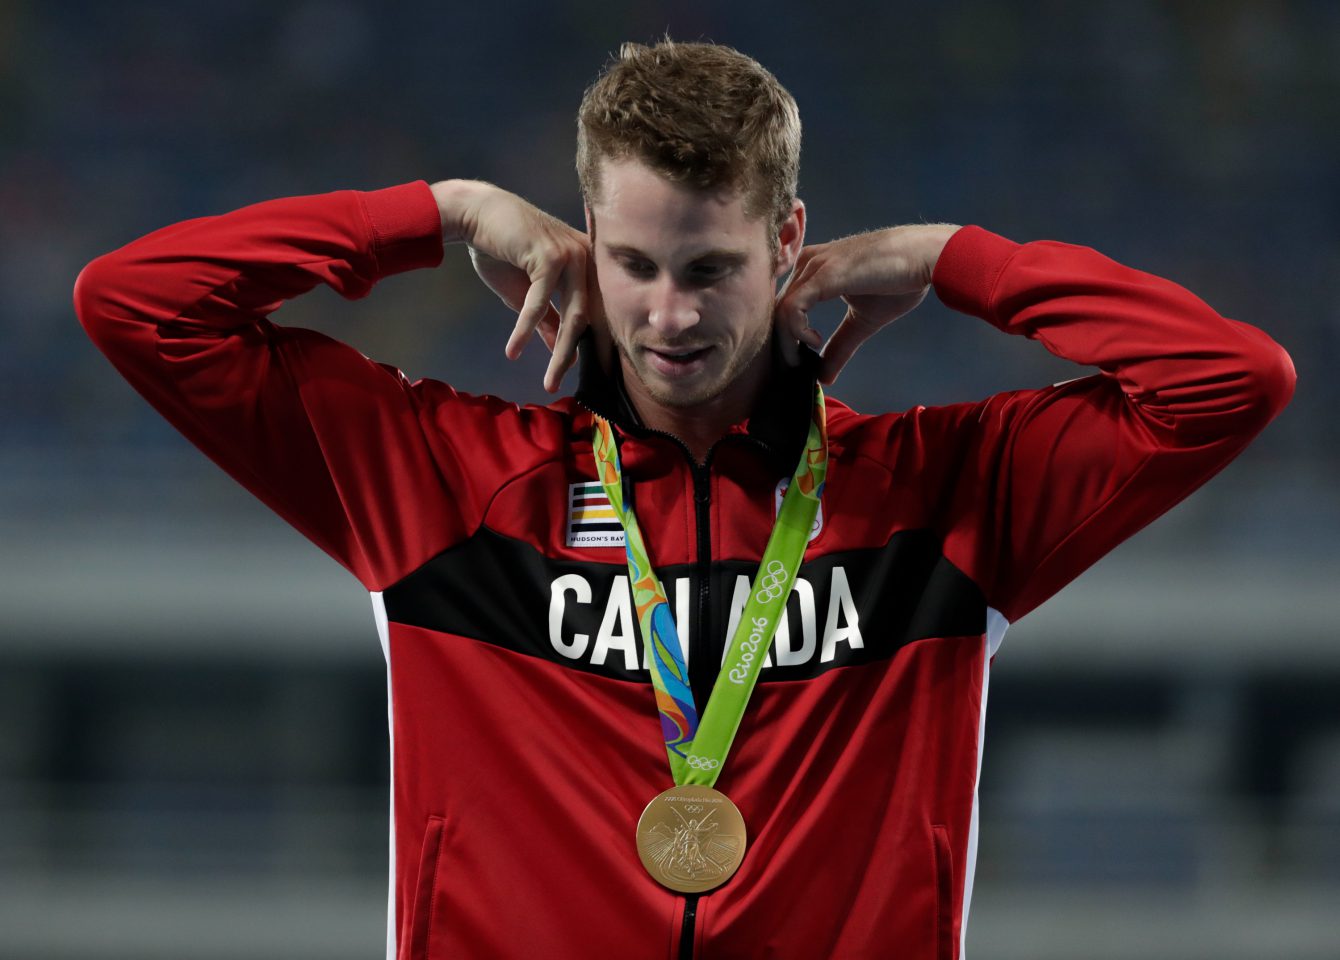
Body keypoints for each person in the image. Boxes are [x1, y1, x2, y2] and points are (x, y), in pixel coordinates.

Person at [74, 38, 1294, 960]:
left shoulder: (938, 494)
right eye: (633, 264)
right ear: (582, 244)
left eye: (712, 268)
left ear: (788, 245)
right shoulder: (447, 480)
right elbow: (136, 304)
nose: (668, 316)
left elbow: (1229, 381)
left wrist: (949, 257)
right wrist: (439, 213)